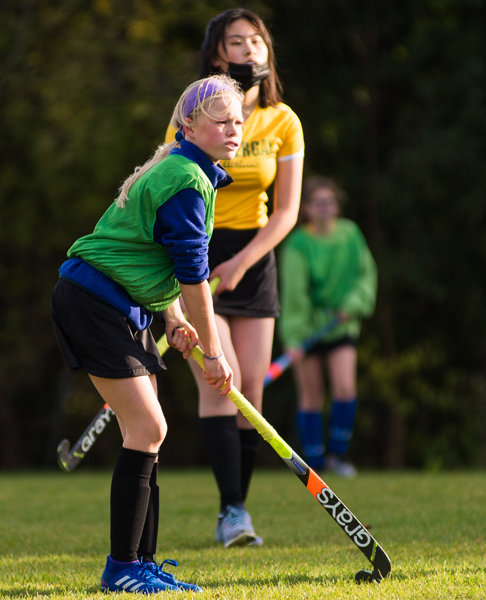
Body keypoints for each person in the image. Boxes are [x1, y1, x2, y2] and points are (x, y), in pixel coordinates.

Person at [51, 74, 243, 594]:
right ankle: (122, 570)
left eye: (238, 121)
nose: (233, 130)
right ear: (188, 126)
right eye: (221, 121)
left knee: (148, 436)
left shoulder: (182, 169)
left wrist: (175, 320)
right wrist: (214, 352)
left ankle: (143, 564)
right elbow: (192, 275)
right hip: (96, 302)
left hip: (119, 305)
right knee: (149, 430)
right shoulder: (185, 179)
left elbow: (147, 259)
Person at [165, 9, 304, 548]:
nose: (249, 50)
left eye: (256, 41)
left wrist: (244, 261)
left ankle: (237, 508)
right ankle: (231, 513)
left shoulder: (283, 119)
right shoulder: (194, 112)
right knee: (218, 386)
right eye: (236, 42)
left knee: (252, 390)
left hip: (254, 255)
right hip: (197, 251)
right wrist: (192, 262)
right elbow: (169, 178)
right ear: (216, 54)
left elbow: (287, 211)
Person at [278, 176, 377, 478]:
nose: (325, 208)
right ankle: (313, 464)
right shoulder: (298, 243)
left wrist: (353, 305)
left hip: (341, 325)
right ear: (306, 208)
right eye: (318, 203)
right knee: (311, 394)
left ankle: (338, 456)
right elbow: (294, 293)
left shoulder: (350, 234)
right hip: (308, 330)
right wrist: (294, 338)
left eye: (330, 202)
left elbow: (366, 275)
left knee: (345, 388)